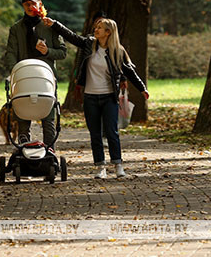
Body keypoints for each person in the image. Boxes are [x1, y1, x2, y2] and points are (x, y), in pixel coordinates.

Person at [42, 16, 149, 178]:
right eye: (96, 27)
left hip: (109, 98)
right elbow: (72, 37)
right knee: (95, 134)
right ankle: (101, 168)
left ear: (108, 32)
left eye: (100, 27)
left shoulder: (117, 51)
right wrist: (55, 24)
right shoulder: (89, 44)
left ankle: (118, 165)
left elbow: (129, 71)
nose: (96, 29)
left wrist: (142, 89)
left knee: (112, 132)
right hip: (90, 98)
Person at [3, 0, 67, 146]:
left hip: (45, 78)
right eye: (27, 4)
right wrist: (15, 71)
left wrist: (47, 51)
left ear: (41, 5)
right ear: (23, 6)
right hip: (24, 77)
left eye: (33, 4)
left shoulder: (50, 26)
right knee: (23, 115)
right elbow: (10, 53)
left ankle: (50, 150)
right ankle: (24, 149)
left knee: (48, 118)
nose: (30, 7)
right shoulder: (16, 29)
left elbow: (63, 52)